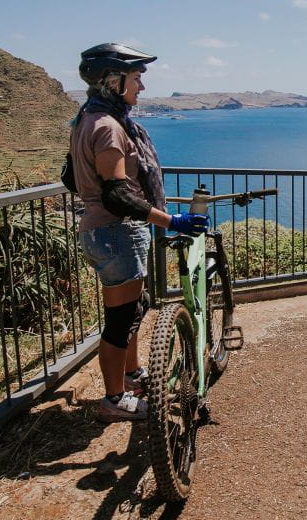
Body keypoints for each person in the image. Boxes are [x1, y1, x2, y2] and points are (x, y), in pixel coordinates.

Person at [70, 43, 210, 422]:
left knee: (132, 309)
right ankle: (114, 399)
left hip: (104, 231)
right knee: (120, 322)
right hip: (116, 232)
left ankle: (131, 376)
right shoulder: (108, 127)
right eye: (136, 78)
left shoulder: (87, 119)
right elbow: (117, 195)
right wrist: (172, 221)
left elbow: (71, 176)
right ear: (113, 81)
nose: (141, 87)